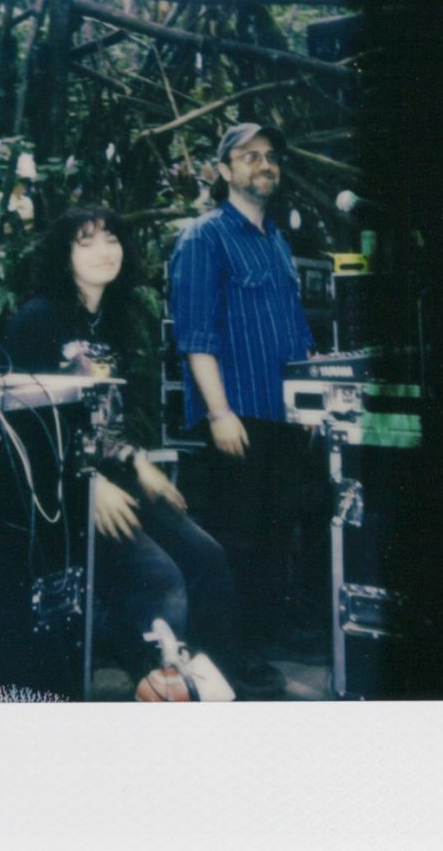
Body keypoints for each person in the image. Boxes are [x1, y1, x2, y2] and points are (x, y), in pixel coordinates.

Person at [6, 205, 242, 699]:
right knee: (160, 578)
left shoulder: (113, 319)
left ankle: (208, 681)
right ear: (63, 255)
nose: (103, 251)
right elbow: (30, 428)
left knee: (206, 557)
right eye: (86, 242)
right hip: (61, 486)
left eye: (110, 239)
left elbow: (105, 420)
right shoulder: (38, 317)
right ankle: (159, 687)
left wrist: (138, 462)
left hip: (112, 475)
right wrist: (89, 487)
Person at [168, 123, 317, 684]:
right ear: (225, 170)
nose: (264, 164)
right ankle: (230, 656)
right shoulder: (204, 237)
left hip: (283, 415)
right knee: (235, 538)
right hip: (236, 414)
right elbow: (195, 336)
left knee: (277, 533)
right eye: (249, 156)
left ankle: (266, 631)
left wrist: (306, 404)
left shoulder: (275, 239)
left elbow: (296, 332)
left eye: (270, 156)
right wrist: (219, 414)